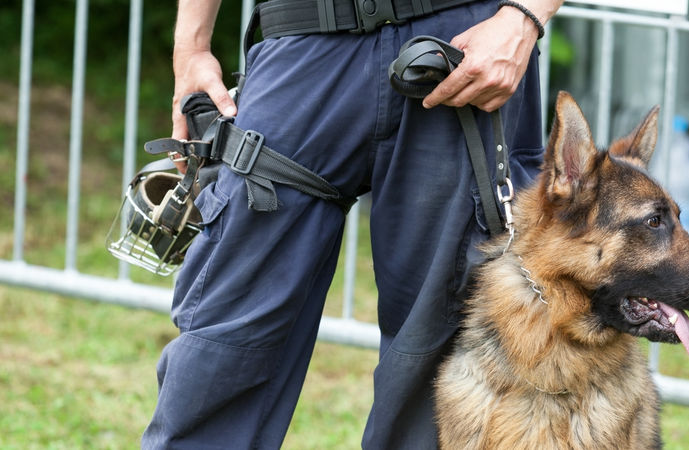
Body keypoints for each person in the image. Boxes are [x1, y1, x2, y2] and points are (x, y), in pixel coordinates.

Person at [142, 0, 563, 448]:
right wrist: (191, 47)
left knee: (441, 358)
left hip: (461, 46)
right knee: (224, 333)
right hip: (301, 39)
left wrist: (524, 17)